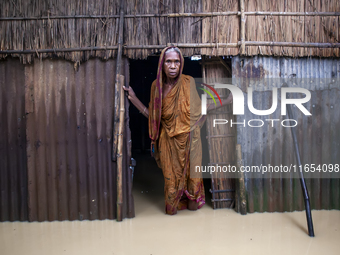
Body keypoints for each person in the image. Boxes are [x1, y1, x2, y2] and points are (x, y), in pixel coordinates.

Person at [123, 46, 232, 215]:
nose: (173, 66)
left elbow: (201, 108)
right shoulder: (156, 87)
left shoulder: (188, 82)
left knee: (193, 184)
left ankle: (193, 229)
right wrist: (133, 98)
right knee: (171, 186)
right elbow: (152, 115)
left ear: (181, 64)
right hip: (168, 143)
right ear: (162, 64)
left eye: (176, 62)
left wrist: (226, 101)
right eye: (169, 61)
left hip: (191, 142)